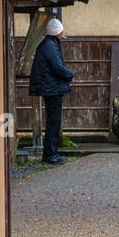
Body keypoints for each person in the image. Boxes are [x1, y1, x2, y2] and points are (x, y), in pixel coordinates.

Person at [28, 17, 74, 166]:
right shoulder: (49, 45)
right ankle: (50, 154)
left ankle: (52, 153)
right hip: (51, 88)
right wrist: (70, 74)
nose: (62, 34)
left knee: (53, 121)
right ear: (57, 32)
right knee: (53, 121)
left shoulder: (48, 44)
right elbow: (57, 67)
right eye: (61, 31)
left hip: (51, 87)